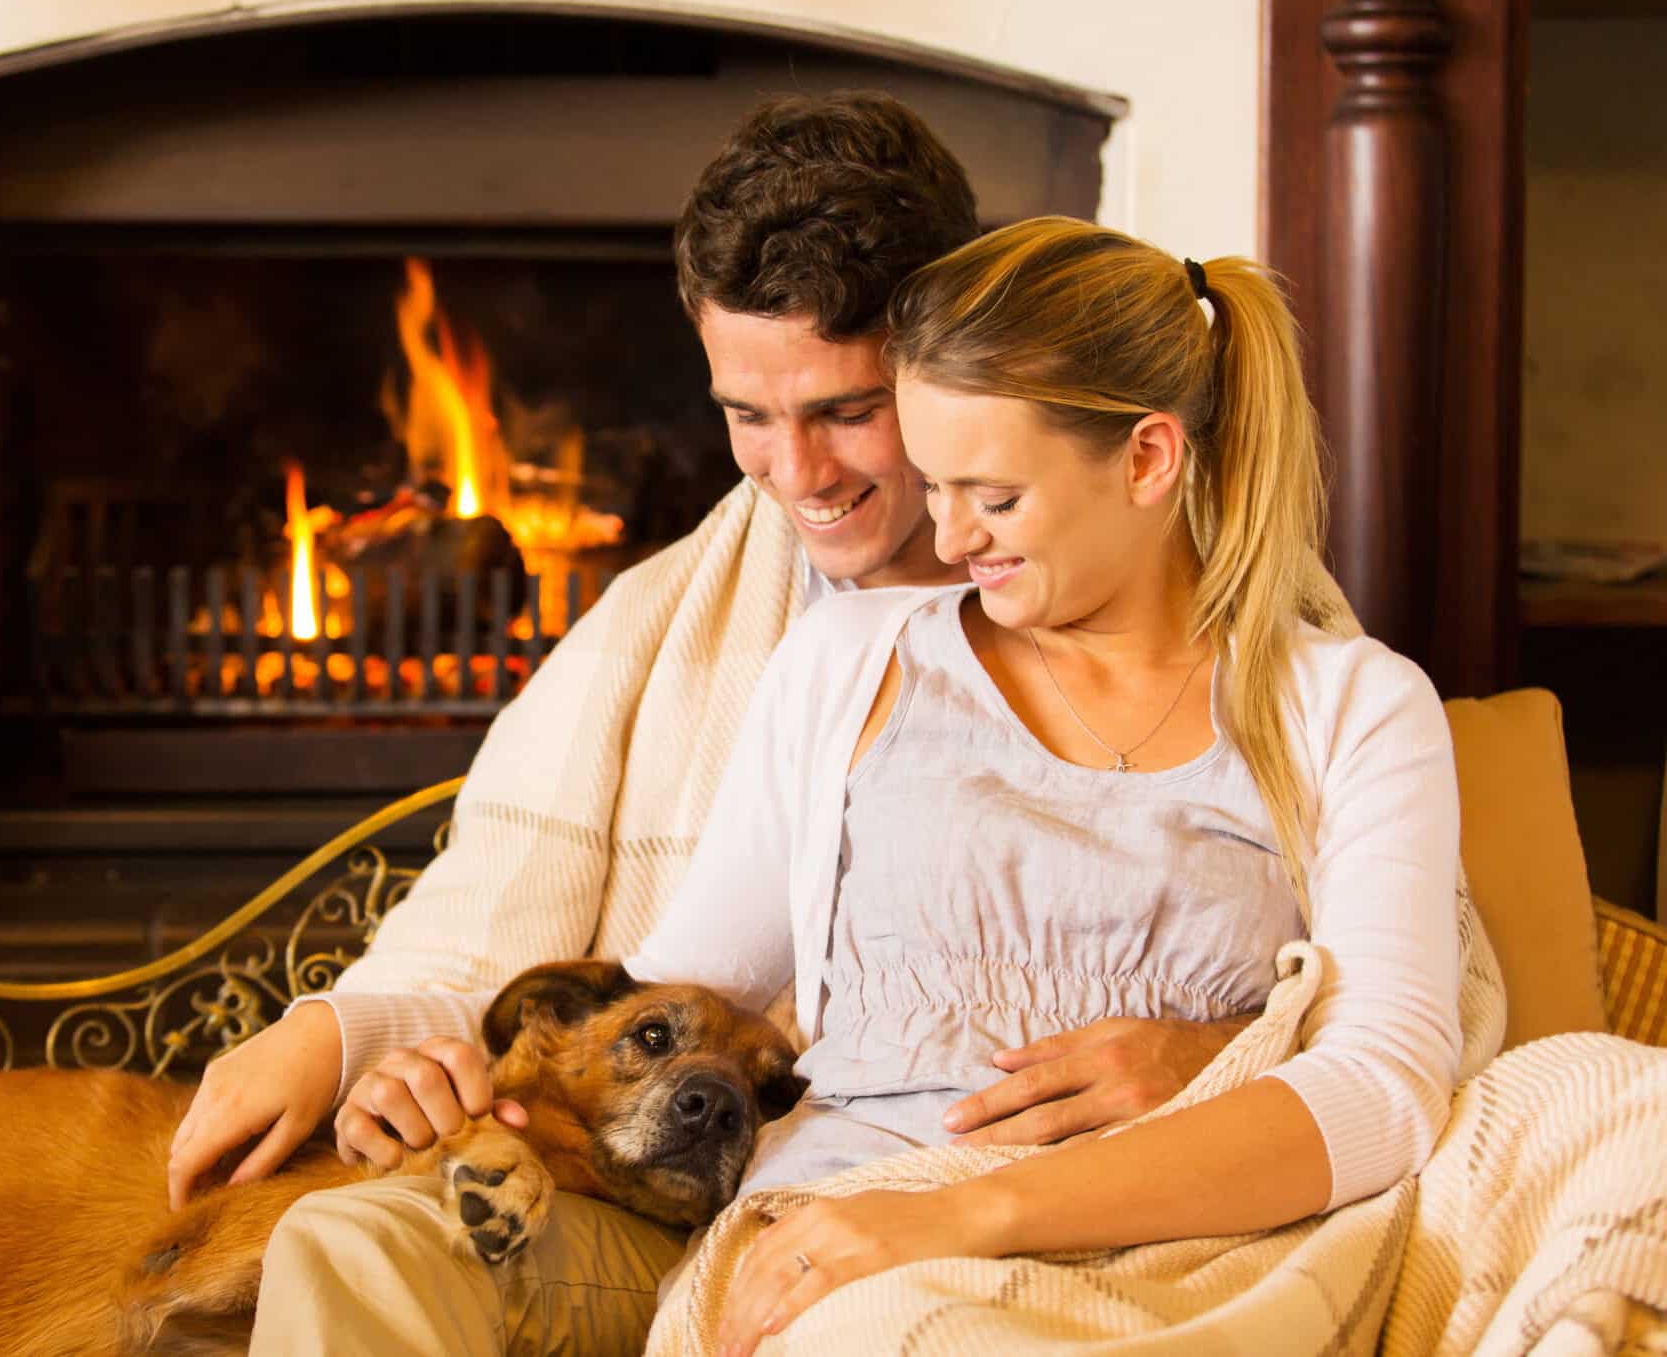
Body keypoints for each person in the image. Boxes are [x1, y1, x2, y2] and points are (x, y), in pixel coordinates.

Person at [168, 97, 1252, 1354]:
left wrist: (1206, 1052)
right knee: (360, 1241)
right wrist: (346, 1035)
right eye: (747, 415)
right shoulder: (683, 624)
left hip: (985, 1193)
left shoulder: (1203, 623)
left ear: (955, 363)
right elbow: (560, 952)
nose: (798, 476)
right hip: (678, 1183)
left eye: (849, 411)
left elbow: (1388, 988)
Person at [624, 217, 1462, 1354]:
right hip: (862, 1240)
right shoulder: (848, 659)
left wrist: (967, 1216)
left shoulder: (1353, 703)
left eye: (995, 497)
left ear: (1148, 458)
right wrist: (396, 1043)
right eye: (932, 483)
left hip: (1204, 1244)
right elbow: (670, 996)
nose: (949, 531)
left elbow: (1385, 1084)